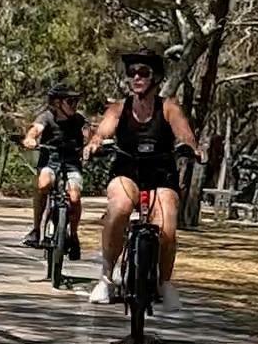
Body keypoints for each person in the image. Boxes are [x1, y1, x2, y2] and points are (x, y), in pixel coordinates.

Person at [84, 47, 201, 309]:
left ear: (156, 77)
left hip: (161, 173)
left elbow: (184, 133)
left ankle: (165, 282)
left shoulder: (168, 107)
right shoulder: (119, 108)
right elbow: (103, 131)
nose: (136, 77)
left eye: (143, 72)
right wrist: (95, 143)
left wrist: (192, 147)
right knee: (119, 209)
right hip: (127, 171)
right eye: (132, 72)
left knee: (167, 225)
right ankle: (106, 278)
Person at [21, 80, 86, 249]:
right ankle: (36, 230)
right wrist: (30, 139)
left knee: (74, 197)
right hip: (50, 160)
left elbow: (89, 134)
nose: (74, 105)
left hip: (71, 162)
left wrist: (92, 146)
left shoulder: (78, 120)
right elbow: (36, 129)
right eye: (70, 101)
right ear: (57, 103)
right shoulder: (46, 117)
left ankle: (73, 235)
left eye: (76, 101)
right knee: (43, 185)